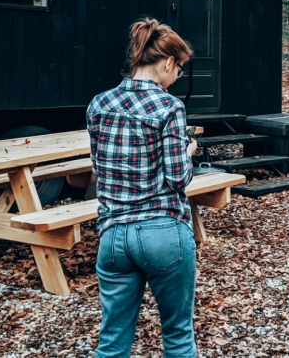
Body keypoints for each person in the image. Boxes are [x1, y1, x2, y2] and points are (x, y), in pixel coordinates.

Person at [87, 18, 199, 358]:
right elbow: (178, 179)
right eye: (179, 69)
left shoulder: (99, 104)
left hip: (114, 236)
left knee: (112, 341)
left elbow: (100, 168)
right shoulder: (168, 106)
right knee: (178, 336)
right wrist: (188, 151)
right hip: (163, 232)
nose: (177, 77)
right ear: (168, 62)